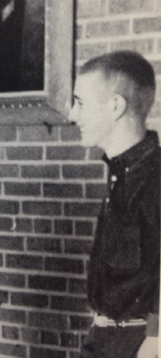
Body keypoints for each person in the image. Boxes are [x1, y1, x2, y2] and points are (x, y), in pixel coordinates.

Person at [70, 51, 160, 358]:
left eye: (80, 102)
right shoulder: (120, 175)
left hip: (141, 345)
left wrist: (157, 337)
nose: (72, 114)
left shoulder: (156, 177)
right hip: (103, 338)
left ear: (115, 106)